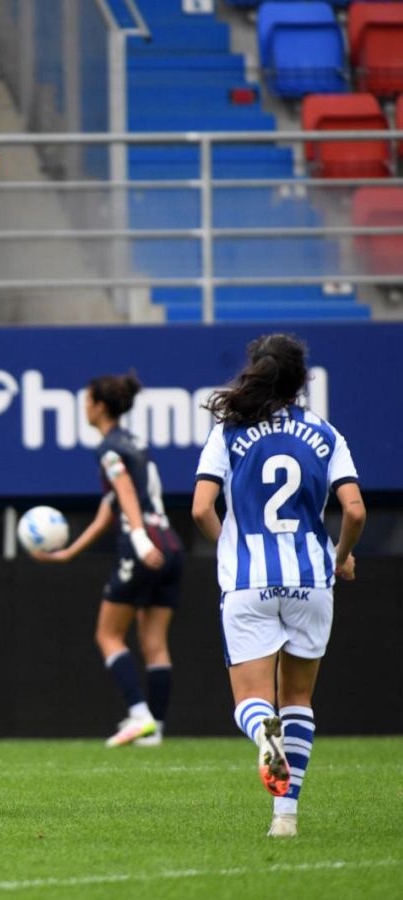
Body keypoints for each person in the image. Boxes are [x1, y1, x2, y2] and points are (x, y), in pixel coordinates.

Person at [191, 334, 364, 839]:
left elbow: (202, 507)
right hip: (311, 578)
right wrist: (340, 556)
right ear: (301, 380)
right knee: (299, 700)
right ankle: (284, 818)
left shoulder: (229, 430)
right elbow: (353, 510)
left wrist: (232, 547)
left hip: (248, 580)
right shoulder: (326, 433)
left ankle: (262, 735)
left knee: (252, 700)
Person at [31, 374, 183, 748]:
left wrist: (138, 538)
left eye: (86, 401)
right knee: (154, 642)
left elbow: (127, 492)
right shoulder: (136, 443)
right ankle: (156, 729)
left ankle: (140, 715)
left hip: (144, 544)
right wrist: (68, 552)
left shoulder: (109, 447)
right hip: (171, 545)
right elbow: (109, 508)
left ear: (100, 406)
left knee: (107, 634)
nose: (83, 407)